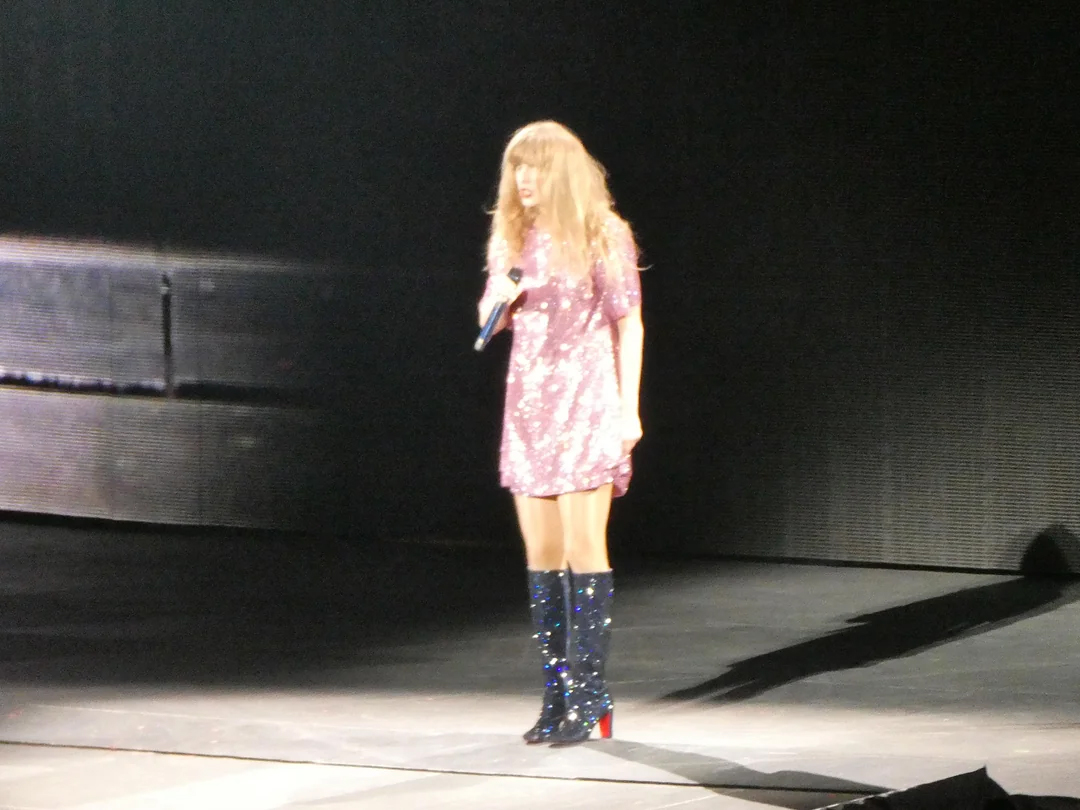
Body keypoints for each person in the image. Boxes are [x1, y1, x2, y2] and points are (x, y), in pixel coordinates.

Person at [477, 121, 644, 745]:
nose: (524, 178)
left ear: (563, 172)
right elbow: (487, 320)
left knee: (582, 550)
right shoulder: (513, 242)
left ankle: (591, 695)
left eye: (536, 166)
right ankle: (555, 696)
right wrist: (503, 300)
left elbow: (630, 324)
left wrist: (629, 409)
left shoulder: (603, 234)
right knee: (541, 557)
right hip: (529, 409)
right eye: (516, 166)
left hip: (586, 402)